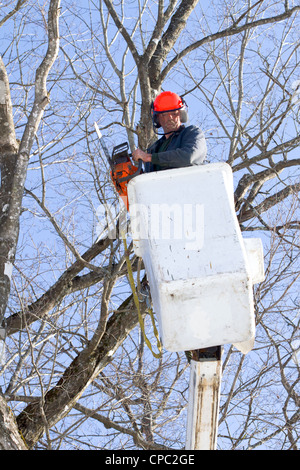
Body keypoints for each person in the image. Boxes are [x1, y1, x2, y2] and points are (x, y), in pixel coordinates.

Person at [132, 91, 207, 171]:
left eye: (174, 113)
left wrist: (149, 157)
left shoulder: (192, 133)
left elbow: (189, 156)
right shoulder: (155, 149)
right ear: (158, 119)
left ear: (181, 115)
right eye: (164, 115)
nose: (170, 117)